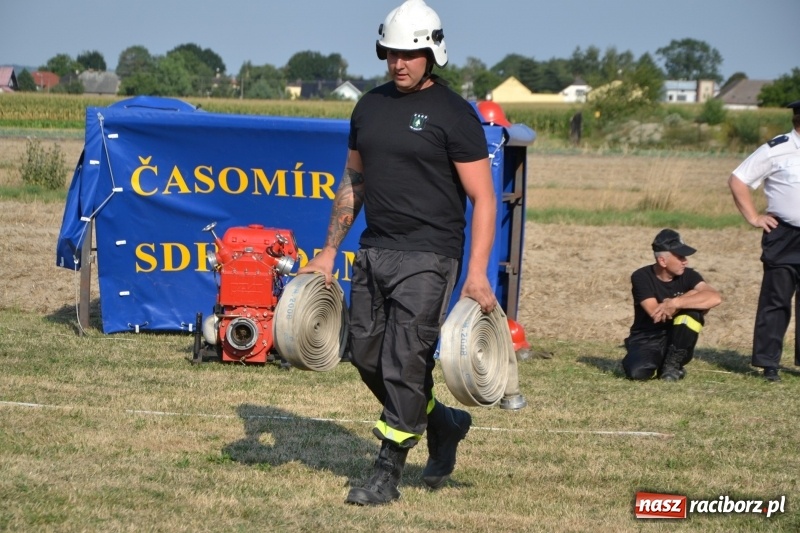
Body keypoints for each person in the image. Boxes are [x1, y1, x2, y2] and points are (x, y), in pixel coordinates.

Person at [297, 0, 497, 505]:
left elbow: (484, 197)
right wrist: (327, 251)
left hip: (430, 256)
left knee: (405, 361)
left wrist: (476, 273)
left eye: (409, 54)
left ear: (432, 53)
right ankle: (443, 423)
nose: (398, 63)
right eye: (390, 53)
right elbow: (353, 181)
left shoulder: (455, 114)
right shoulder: (369, 106)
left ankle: (387, 471)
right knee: (365, 354)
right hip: (374, 251)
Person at [728, 100, 800, 382]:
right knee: (776, 300)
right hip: (784, 234)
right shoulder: (777, 149)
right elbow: (738, 179)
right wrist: (754, 217)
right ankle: (769, 363)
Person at [622, 229, 721, 381]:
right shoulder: (641, 276)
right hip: (647, 338)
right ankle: (658, 363)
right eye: (680, 256)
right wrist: (692, 296)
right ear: (662, 261)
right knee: (638, 373)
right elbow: (656, 314)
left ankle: (672, 365)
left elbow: (714, 298)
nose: (685, 261)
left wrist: (676, 302)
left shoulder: (689, 275)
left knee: (692, 314)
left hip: (677, 338)